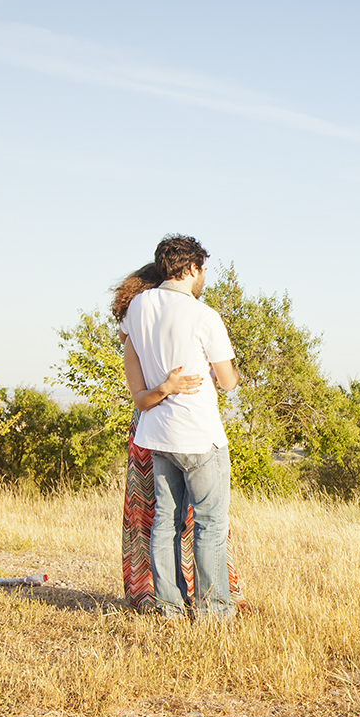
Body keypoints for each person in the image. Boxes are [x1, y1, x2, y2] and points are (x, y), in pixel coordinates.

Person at [119, 235, 240, 620]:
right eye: (203, 269)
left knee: (164, 525)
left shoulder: (137, 307)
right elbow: (228, 380)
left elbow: (130, 348)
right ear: (191, 269)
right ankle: (215, 610)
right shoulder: (204, 315)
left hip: (157, 434)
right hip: (198, 436)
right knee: (209, 525)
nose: (204, 276)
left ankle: (169, 607)